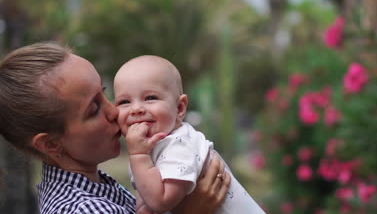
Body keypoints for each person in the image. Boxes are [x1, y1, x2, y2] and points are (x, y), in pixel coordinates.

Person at [0, 42, 231, 214]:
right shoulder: (83, 209)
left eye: (105, 93)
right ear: (50, 144)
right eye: (94, 109)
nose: (115, 112)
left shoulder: (95, 184)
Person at [113, 55, 265, 214]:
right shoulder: (153, 148)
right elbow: (147, 201)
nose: (136, 109)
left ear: (179, 108)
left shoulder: (179, 144)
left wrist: (139, 155)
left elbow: (160, 201)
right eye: (124, 102)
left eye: (150, 98)